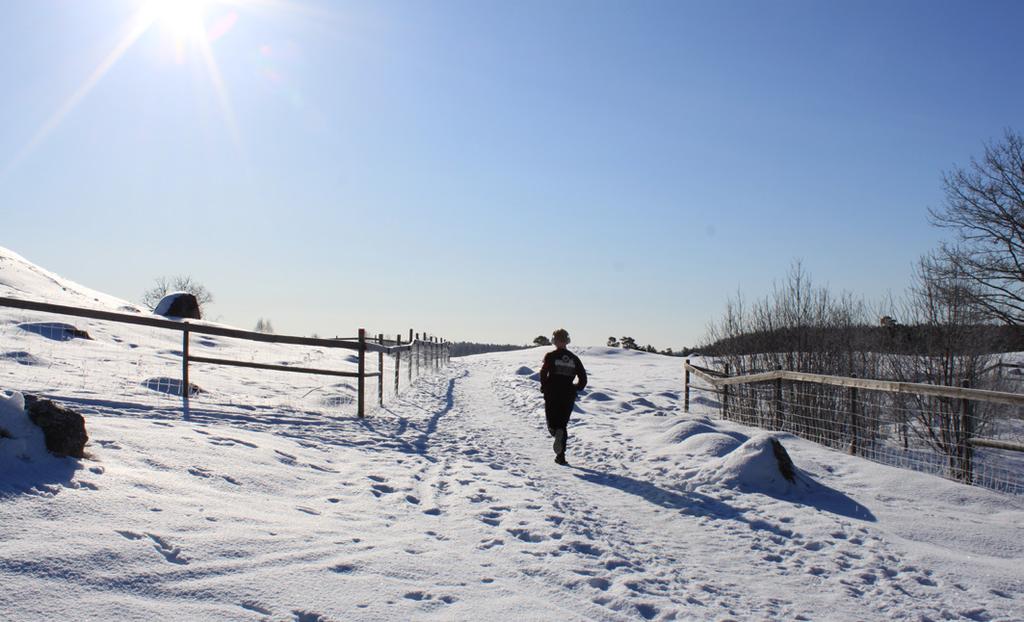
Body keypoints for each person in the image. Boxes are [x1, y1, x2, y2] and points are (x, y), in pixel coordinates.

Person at [539, 328, 587, 465]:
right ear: (567, 341)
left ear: (554, 340)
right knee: (562, 424)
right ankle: (561, 456)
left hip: (553, 392)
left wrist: (544, 386)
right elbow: (583, 378)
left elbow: (543, 373)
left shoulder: (550, 356)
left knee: (552, 424)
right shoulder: (574, 358)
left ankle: (556, 434)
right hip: (568, 394)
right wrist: (576, 388)